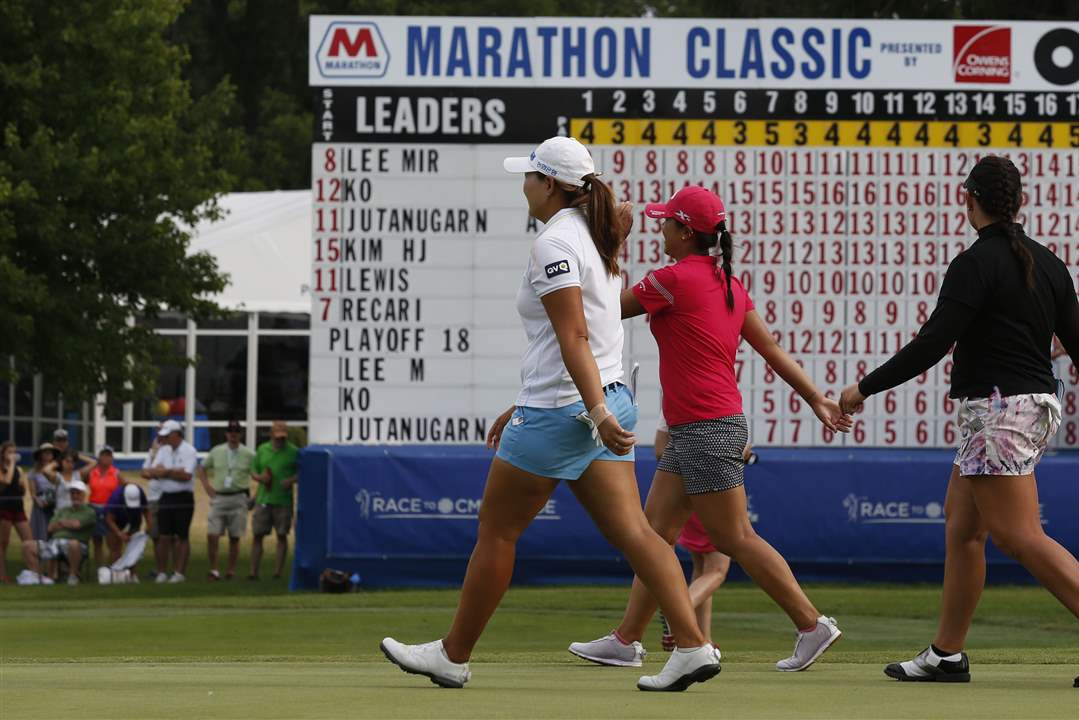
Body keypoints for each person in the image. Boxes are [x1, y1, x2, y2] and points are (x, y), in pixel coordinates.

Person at [381, 137, 720, 693]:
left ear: (551, 186)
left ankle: (452, 655)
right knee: (636, 533)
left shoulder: (556, 241)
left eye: (530, 176)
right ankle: (692, 645)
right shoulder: (596, 235)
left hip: (566, 411)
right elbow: (583, 329)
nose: (524, 186)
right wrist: (584, 407)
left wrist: (590, 410)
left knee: (497, 531)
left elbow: (575, 335)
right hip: (596, 400)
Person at [569, 185, 850, 673]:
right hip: (701, 427)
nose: (660, 229)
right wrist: (814, 398)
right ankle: (625, 640)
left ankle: (811, 624)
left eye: (666, 223)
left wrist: (611, 243)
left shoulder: (671, 280)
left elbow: (600, 310)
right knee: (653, 535)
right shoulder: (727, 283)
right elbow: (772, 351)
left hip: (706, 427)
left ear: (684, 232)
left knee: (735, 537)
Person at [839, 155, 1079, 685]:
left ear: (968, 199)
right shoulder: (1049, 264)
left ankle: (946, 652)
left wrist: (863, 387)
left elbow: (933, 344)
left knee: (1019, 536)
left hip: (1000, 413)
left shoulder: (974, 264)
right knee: (964, 525)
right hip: (1020, 409)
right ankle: (946, 653)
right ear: (1020, 203)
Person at [140, 419, 197, 583]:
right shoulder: (163, 450)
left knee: (182, 536)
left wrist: (164, 472)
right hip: (165, 497)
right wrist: (172, 472)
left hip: (183, 497)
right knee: (163, 536)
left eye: (167, 435)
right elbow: (150, 472)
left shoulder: (189, 451)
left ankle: (179, 573)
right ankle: (162, 572)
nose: (164, 438)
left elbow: (186, 475)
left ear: (176, 434)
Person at [200, 419, 255, 580]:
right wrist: (207, 487)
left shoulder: (249, 454)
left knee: (234, 537)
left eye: (236, 432)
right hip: (219, 497)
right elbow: (202, 467)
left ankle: (231, 570)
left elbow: (260, 472)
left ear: (241, 434)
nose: (233, 435)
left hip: (238, 497)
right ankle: (214, 569)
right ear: (226, 434)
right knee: (212, 534)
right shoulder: (217, 451)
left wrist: (255, 497)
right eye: (231, 431)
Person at [249, 420, 298, 581]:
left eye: (283, 437)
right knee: (257, 535)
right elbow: (253, 470)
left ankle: (278, 572)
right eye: (277, 437)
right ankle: (253, 572)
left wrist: (291, 480)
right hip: (263, 498)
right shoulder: (262, 449)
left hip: (283, 501)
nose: (280, 440)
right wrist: (260, 478)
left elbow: (302, 472)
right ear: (271, 435)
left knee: (282, 535)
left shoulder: (294, 452)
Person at [0, 441, 43, 583]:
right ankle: (3, 575)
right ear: (3, 454)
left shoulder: (18, 470)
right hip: (4, 508)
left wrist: (22, 486)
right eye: (9, 452)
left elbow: (24, 490)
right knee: (3, 543)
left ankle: (35, 573)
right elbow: (6, 481)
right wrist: (11, 464)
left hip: (18, 508)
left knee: (29, 541)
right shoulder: (3, 468)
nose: (12, 455)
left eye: (14, 452)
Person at [43, 478, 96, 585]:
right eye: (72, 493)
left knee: (73, 544)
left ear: (84, 495)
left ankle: (72, 576)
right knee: (28, 546)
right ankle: (43, 577)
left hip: (78, 545)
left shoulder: (89, 511)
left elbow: (76, 525)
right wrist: (67, 524)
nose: (75, 495)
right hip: (56, 541)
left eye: (78, 493)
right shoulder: (63, 510)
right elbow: (50, 528)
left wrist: (61, 523)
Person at [86, 445, 122, 568]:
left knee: (112, 541)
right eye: (103, 455)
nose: (106, 458)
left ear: (112, 458)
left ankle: (113, 568)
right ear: (99, 457)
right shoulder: (92, 473)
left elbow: (124, 489)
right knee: (97, 541)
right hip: (94, 508)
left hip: (111, 510)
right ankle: (100, 569)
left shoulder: (116, 473)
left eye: (108, 455)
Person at [104, 482, 150, 566]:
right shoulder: (115, 498)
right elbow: (109, 519)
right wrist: (119, 533)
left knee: (134, 548)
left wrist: (149, 525)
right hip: (116, 519)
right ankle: (116, 570)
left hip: (134, 517)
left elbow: (146, 510)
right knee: (115, 546)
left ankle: (132, 572)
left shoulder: (140, 492)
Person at [28, 443, 59, 540]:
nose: (48, 454)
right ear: (40, 455)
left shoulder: (58, 470)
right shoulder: (33, 472)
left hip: (56, 504)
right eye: (45, 452)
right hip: (41, 505)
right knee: (41, 533)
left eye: (50, 452)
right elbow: (33, 493)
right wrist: (38, 501)